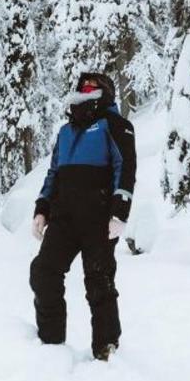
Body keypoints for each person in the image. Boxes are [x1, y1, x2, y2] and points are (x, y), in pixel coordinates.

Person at [29, 72, 137, 361]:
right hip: (64, 218)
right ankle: (51, 345)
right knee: (43, 272)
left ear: (105, 92)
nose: (85, 89)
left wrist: (119, 211)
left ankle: (106, 348)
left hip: (99, 219)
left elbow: (124, 168)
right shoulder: (66, 132)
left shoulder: (116, 125)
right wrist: (42, 209)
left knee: (98, 281)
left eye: (92, 86)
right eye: (82, 86)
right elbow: (54, 173)